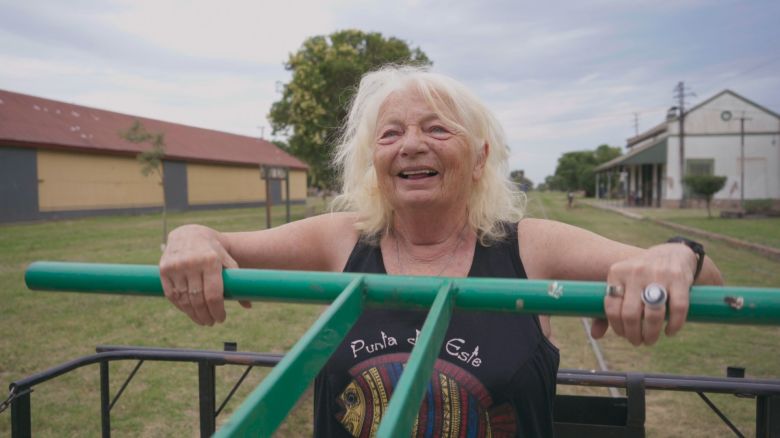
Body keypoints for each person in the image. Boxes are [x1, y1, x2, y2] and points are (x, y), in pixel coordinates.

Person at [160, 66, 723, 437]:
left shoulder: (529, 245)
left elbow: (712, 286)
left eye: (436, 129)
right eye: (390, 134)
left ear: (479, 158)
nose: (411, 145)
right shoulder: (340, 238)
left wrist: (676, 254)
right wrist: (190, 238)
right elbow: (214, 242)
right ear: (374, 163)